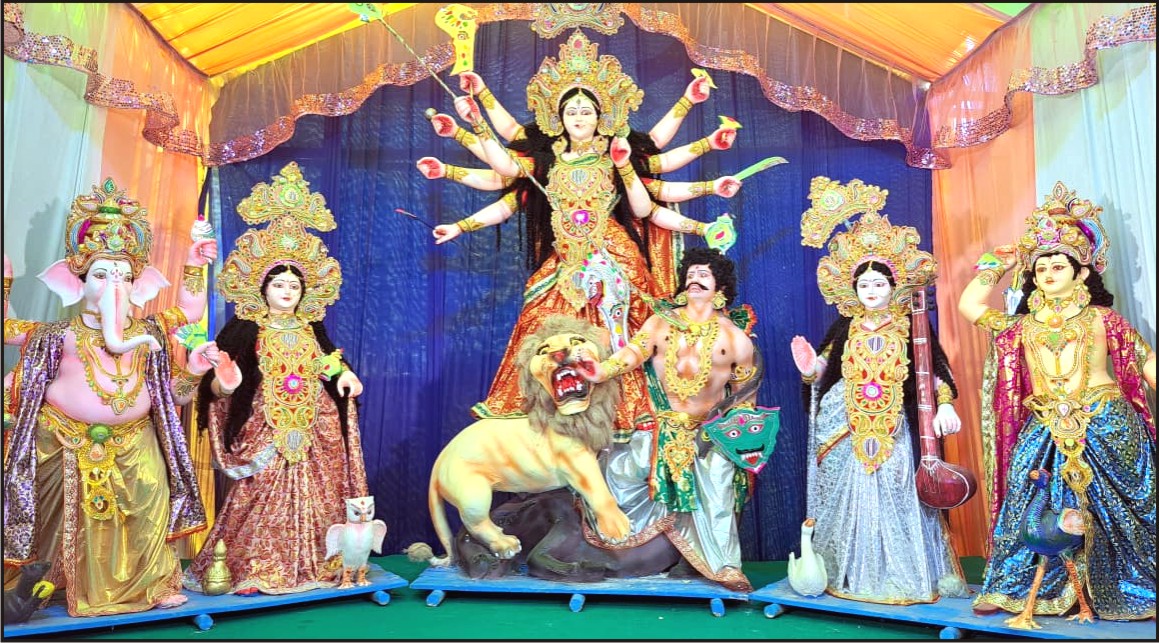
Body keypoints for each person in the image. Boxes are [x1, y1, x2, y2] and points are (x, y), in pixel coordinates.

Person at [420, 30, 745, 444]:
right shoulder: (545, 159)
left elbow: (657, 169)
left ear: (600, 116)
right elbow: (504, 172)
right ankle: (547, 425)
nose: (578, 117)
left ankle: (627, 420)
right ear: (558, 117)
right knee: (540, 328)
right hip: (564, 263)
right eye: (570, 110)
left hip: (613, 258)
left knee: (625, 335)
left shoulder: (616, 154)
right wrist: (473, 123)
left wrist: (695, 119)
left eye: (586, 110)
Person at [2, 178, 214, 616]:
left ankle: (152, 585)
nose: (113, 286)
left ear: (140, 285)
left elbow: (190, 314)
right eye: (100, 275)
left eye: (124, 276)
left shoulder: (150, 331)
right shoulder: (58, 335)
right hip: (64, 439)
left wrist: (194, 265)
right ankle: (49, 583)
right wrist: (5, 278)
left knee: (148, 505)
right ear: (73, 281)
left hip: (136, 439)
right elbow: (5, 329)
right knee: (58, 517)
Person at [959, 182, 1155, 624]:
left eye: (1059, 265)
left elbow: (1145, 361)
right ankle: (1012, 588)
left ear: (1082, 273)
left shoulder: (1104, 319)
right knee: (1027, 501)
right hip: (1045, 425)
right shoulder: (1020, 325)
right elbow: (969, 305)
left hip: (1105, 421)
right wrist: (999, 262)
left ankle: (1137, 586)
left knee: (1124, 511)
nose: (1048, 272)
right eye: (1041, 266)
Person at [182, 163, 370, 596]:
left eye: (294, 286)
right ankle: (252, 567)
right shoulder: (245, 330)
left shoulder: (310, 329)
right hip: (265, 426)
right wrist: (224, 384)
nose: (287, 291)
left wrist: (346, 376)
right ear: (262, 287)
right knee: (257, 495)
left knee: (321, 493)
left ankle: (318, 566)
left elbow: (326, 364)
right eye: (279, 284)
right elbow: (217, 386)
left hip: (314, 424)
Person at [790, 177, 967, 604]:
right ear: (853, 291)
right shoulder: (844, 327)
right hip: (847, 424)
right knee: (848, 497)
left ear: (894, 286)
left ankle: (902, 575)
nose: (871, 291)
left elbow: (932, 374)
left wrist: (945, 405)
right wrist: (811, 369)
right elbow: (825, 369)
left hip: (894, 426)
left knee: (897, 494)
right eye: (864, 285)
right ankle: (849, 574)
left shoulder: (912, 327)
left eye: (879, 284)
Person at [577, 247, 761, 592]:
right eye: (690, 274)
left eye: (704, 275)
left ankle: (726, 567)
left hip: (709, 432)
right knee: (620, 471)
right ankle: (611, 548)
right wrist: (601, 371)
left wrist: (736, 432)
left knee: (719, 486)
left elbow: (745, 394)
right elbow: (632, 354)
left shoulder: (735, 338)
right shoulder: (660, 323)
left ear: (720, 286)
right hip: (661, 426)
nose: (695, 280)